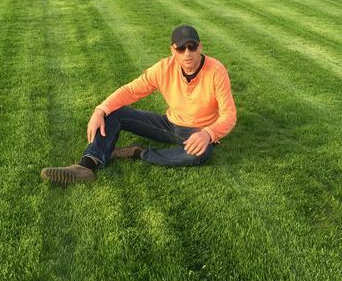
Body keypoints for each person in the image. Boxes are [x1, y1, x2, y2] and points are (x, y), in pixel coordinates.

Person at [41, 25, 237, 185]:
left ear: (200, 47)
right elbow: (131, 90)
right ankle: (87, 165)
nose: (187, 53)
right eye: (181, 48)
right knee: (114, 112)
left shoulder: (216, 71)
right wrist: (100, 109)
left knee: (202, 152)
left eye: (192, 47)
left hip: (199, 132)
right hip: (170, 124)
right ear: (172, 50)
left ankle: (139, 153)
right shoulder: (163, 68)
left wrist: (208, 134)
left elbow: (229, 115)